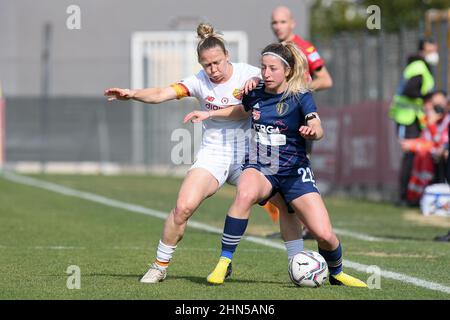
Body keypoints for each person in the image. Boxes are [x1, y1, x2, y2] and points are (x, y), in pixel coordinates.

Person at [104, 23, 302, 283]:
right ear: (200, 63)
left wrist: (261, 84)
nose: (213, 70)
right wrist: (133, 94)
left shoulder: (251, 74)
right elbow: (163, 92)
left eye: (217, 63)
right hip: (214, 153)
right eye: (207, 65)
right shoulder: (197, 81)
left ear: (227, 56)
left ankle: (298, 263)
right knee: (183, 207)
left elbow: (270, 95)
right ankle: (159, 265)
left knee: (286, 205)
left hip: (251, 154)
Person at [184, 42, 367, 287]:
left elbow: (317, 125)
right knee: (245, 194)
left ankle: (337, 273)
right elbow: (242, 110)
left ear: (288, 71)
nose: (266, 74)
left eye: (272, 69)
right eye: (263, 68)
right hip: (261, 165)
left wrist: (314, 131)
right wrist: (209, 114)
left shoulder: (301, 96)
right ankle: (223, 263)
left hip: (294, 171)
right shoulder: (255, 90)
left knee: (324, 234)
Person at [389, 38, 439, 206]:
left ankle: (413, 194)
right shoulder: (419, 67)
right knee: (409, 155)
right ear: (423, 50)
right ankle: (404, 196)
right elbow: (410, 90)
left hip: (414, 118)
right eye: (431, 50)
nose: (434, 53)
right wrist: (428, 98)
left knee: (416, 155)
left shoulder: (419, 66)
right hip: (407, 117)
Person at [400, 90, 449, 205]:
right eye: (434, 104)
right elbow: (426, 140)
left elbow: (441, 143)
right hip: (435, 154)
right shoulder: (431, 120)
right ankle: (416, 198)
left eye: (440, 104)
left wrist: (414, 145)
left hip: (442, 155)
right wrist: (412, 143)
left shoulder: (446, 120)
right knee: (420, 156)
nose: (437, 108)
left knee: (425, 155)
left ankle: (422, 197)